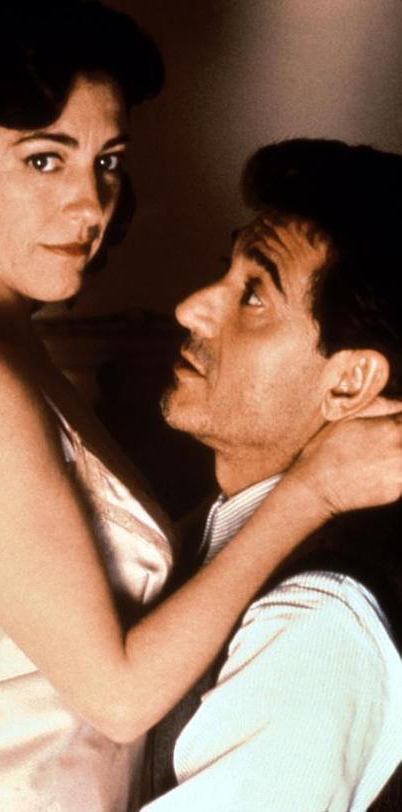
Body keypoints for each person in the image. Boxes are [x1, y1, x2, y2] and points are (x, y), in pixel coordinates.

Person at [0, 1, 400, 806]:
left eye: (107, 161)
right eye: (45, 160)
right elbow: (115, 698)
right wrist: (311, 490)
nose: (90, 205)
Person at [143, 138, 402, 812]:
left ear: (349, 383)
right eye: (223, 274)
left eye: (253, 295)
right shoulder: (207, 528)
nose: (191, 308)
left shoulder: (313, 626)